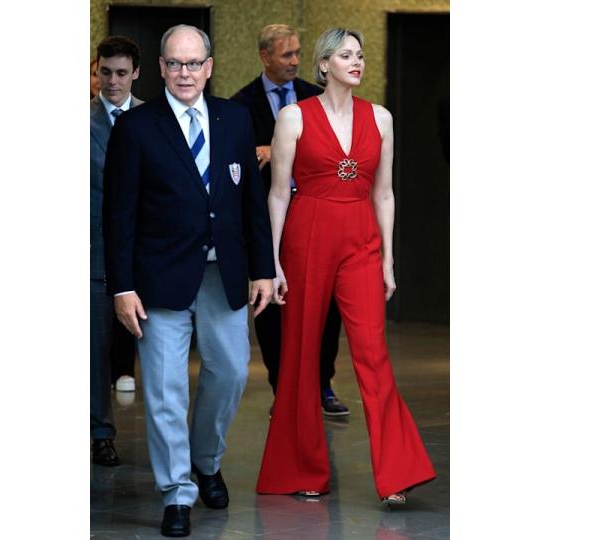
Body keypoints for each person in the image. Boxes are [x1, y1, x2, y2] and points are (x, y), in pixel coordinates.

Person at [104, 24, 274, 537]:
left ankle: (206, 459)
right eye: (174, 64)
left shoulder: (235, 120)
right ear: (160, 69)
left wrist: (264, 267)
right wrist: (122, 286)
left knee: (230, 373)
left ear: (209, 66)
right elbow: (119, 215)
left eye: (193, 63)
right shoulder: (137, 128)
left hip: (225, 274)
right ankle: (177, 491)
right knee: (163, 390)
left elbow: (251, 204)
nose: (184, 73)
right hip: (158, 280)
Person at [255, 28, 436, 506]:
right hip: (306, 237)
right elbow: (277, 194)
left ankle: (397, 474)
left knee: (373, 353)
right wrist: (273, 263)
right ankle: (303, 470)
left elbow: (384, 192)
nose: (356, 62)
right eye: (345, 55)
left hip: (361, 241)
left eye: (359, 55)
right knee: (299, 354)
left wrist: (388, 260)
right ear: (323, 64)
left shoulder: (381, 118)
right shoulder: (293, 118)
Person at [230, 24, 349, 418]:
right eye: (286, 55)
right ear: (265, 57)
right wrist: (259, 150)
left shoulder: (317, 98)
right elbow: (230, 165)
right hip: (269, 220)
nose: (296, 61)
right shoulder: (240, 105)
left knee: (328, 304)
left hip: (316, 216)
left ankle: (322, 384)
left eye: (298, 53)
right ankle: (284, 388)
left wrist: (282, 150)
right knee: (273, 306)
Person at [90, 35, 143, 467]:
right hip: (93, 249)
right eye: (105, 72)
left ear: (136, 73)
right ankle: (100, 432)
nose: (112, 81)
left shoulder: (152, 119)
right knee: (94, 345)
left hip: (148, 251)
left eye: (121, 73)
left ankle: (170, 442)